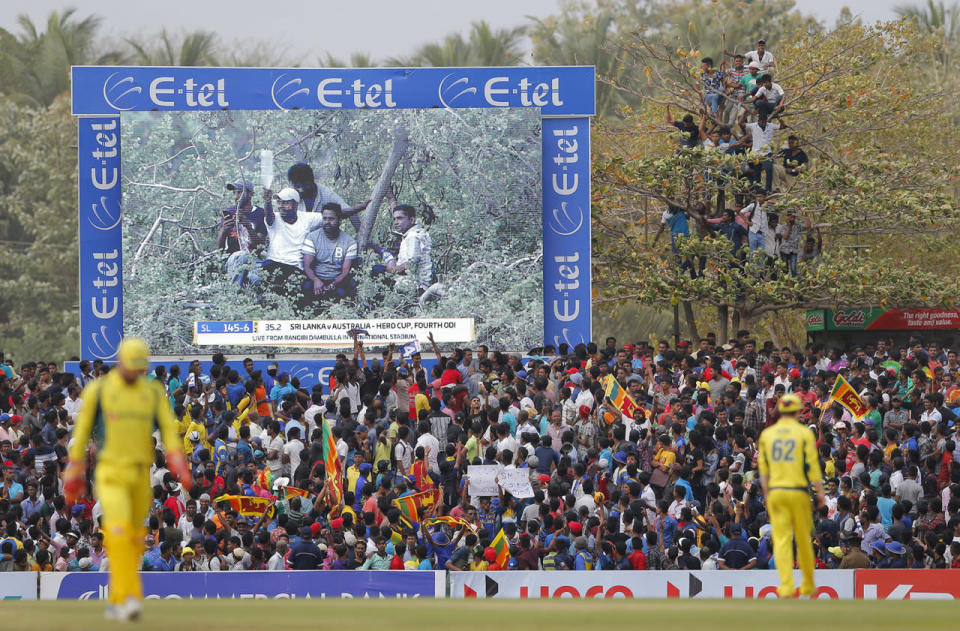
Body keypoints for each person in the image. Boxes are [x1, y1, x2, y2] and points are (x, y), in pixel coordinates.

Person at [64, 338, 193, 622]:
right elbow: (83, 430)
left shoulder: (152, 391)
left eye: (141, 369)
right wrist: (73, 471)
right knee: (119, 533)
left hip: (140, 474)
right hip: (110, 473)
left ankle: (120, 598)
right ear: (121, 363)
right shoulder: (99, 389)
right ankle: (128, 598)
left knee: (134, 538)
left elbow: (169, 432)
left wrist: (179, 462)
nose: (137, 374)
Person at [757, 393, 825, 598]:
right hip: (798, 492)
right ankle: (807, 582)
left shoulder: (767, 435)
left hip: (777, 492)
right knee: (803, 538)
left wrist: (767, 495)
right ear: (797, 411)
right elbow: (813, 467)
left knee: (782, 540)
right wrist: (820, 494)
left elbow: (763, 470)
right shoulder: (804, 433)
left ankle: (786, 585)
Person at [261, 187, 325, 287]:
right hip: (273, 263)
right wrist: (267, 201)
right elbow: (269, 216)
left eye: (285, 203)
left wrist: (358, 207)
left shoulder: (307, 218)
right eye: (279, 202)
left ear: (296, 205)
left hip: (295, 267)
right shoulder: (275, 218)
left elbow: (332, 215)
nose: (281, 206)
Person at [300, 202, 358, 300]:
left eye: (331, 219)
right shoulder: (312, 238)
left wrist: (333, 284)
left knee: (346, 294)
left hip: (337, 280)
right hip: (316, 278)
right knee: (304, 291)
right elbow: (307, 266)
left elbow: (345, 271)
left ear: (340, 221)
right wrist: (316, 280)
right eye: (324, 218)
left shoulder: (349, 242)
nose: (327, 222)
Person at [285, 162, 369, 229]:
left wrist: (360, 232)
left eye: (299, 187)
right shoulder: (292, 196)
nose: (297, 190)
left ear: (308, 183)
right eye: (295, 187)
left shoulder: (326, 194)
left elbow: (349, 212)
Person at [372, 204, 433, 294]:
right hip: (413, 283)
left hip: (415, 286)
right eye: (394, 219)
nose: (396, 222)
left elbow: (412, 263)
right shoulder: (414, 234)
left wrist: (393, 270)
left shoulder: (413, 236)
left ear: (412, 220)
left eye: (400, 218)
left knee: (375, 270)